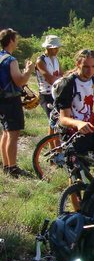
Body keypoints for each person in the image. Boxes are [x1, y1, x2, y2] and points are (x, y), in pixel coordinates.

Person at [0, 28, 35, 177]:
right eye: (16, 39)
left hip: (2, 100)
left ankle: (6, 165)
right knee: (13, 134)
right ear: (11, 40)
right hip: (11, 100)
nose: (17, 41)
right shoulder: (10, 60)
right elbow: (19, 80)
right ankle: (12, 167)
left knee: (6, 132)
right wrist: (28, 70)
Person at [35, 35, 62, 134]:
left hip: (56, 92)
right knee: (53, 121)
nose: (57, 50)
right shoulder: (40, 61)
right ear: (49, 48)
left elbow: (62, 74)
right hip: (46, 94)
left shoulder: (56, 59)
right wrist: (60, 78)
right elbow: (50, 79)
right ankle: (53, 146)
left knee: (56, 121)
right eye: (55, 48)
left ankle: (54, 146)